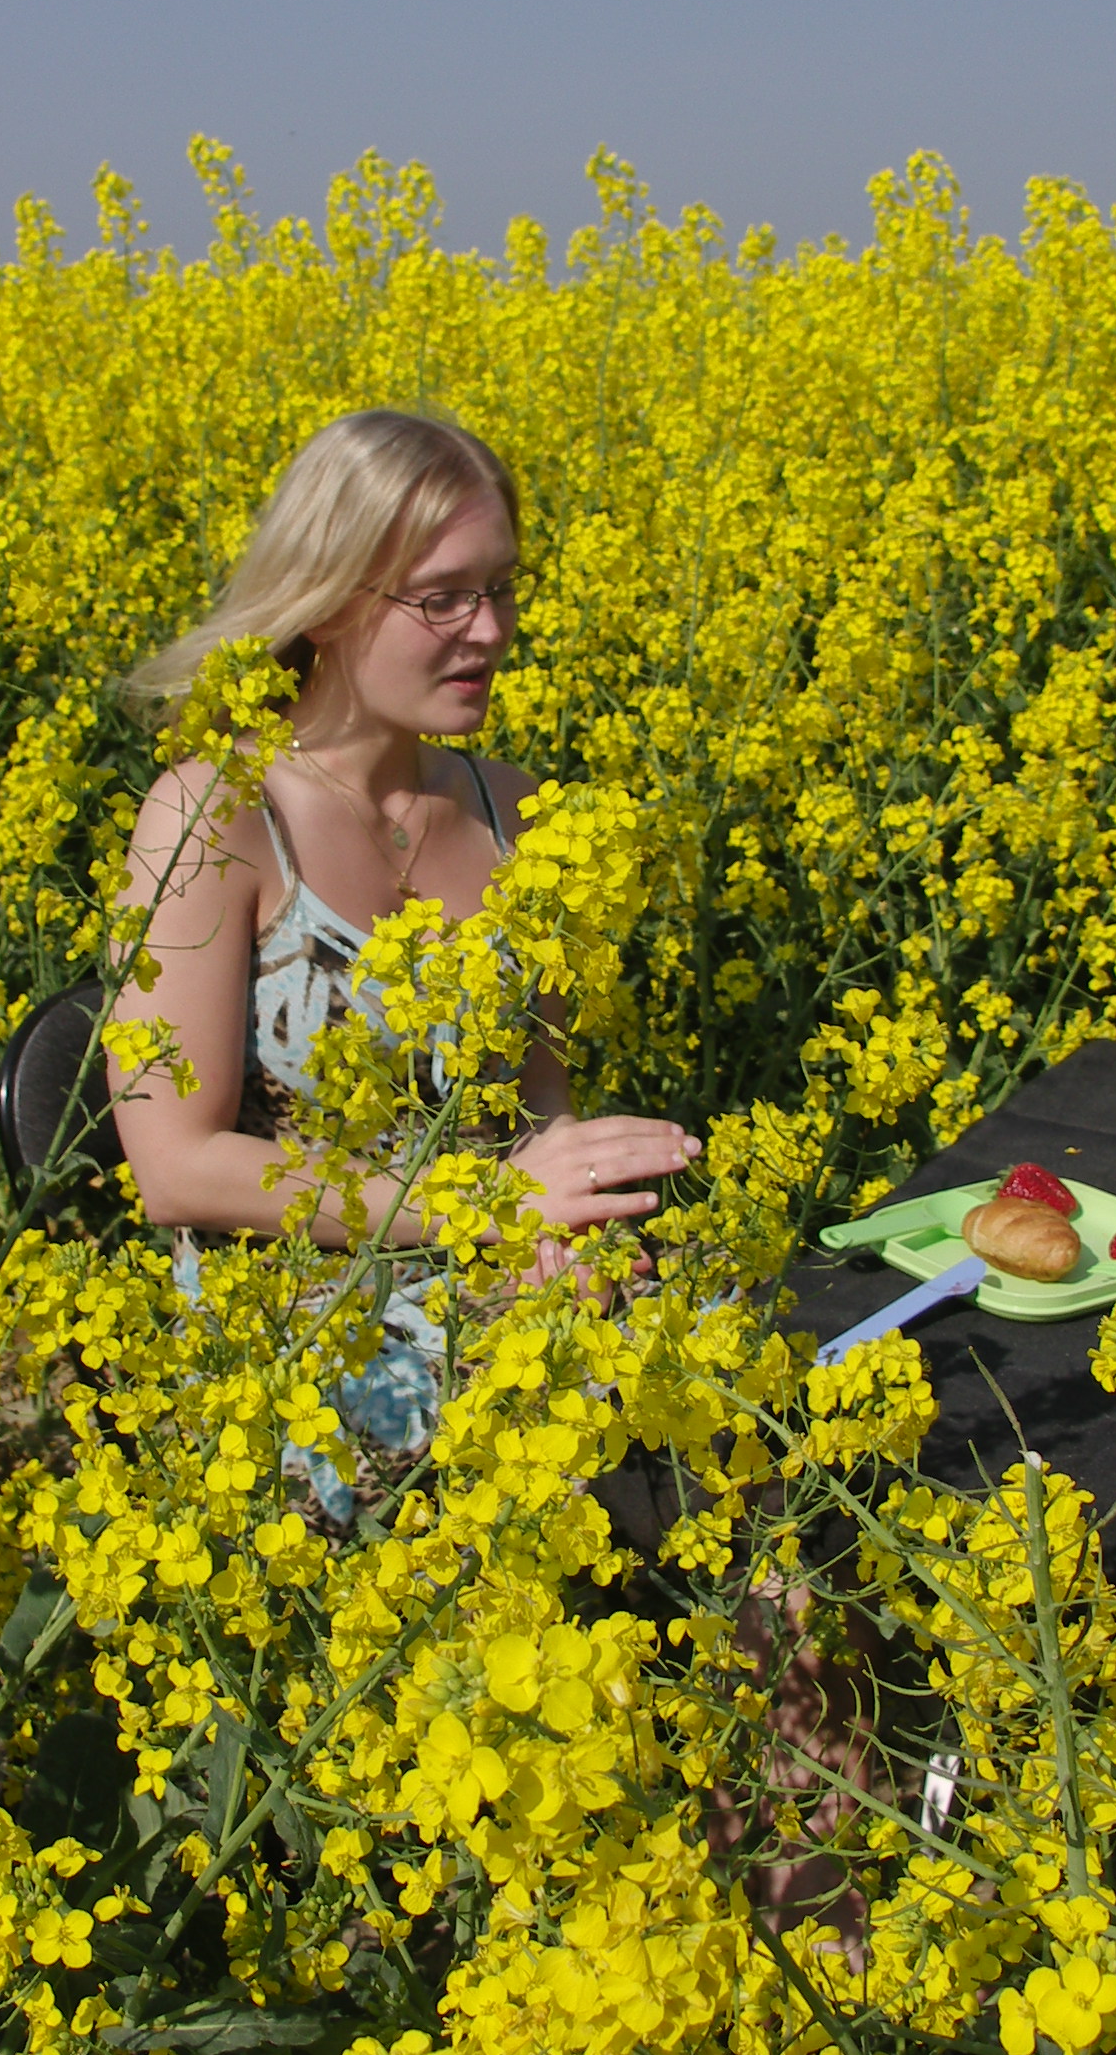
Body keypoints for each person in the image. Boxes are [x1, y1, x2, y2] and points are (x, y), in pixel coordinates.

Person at [106, 410, 696, 1498]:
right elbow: (174, 1167)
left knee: (755, 1411)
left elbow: (537, 1099)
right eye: (442, 598)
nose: (490, 630)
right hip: (295, 1338)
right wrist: (487, 1208)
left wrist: (564, 1232)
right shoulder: (213, 813)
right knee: (633, 1470)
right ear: (327, 599)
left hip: (497, 1276)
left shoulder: (516, 811)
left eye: (502, 588)